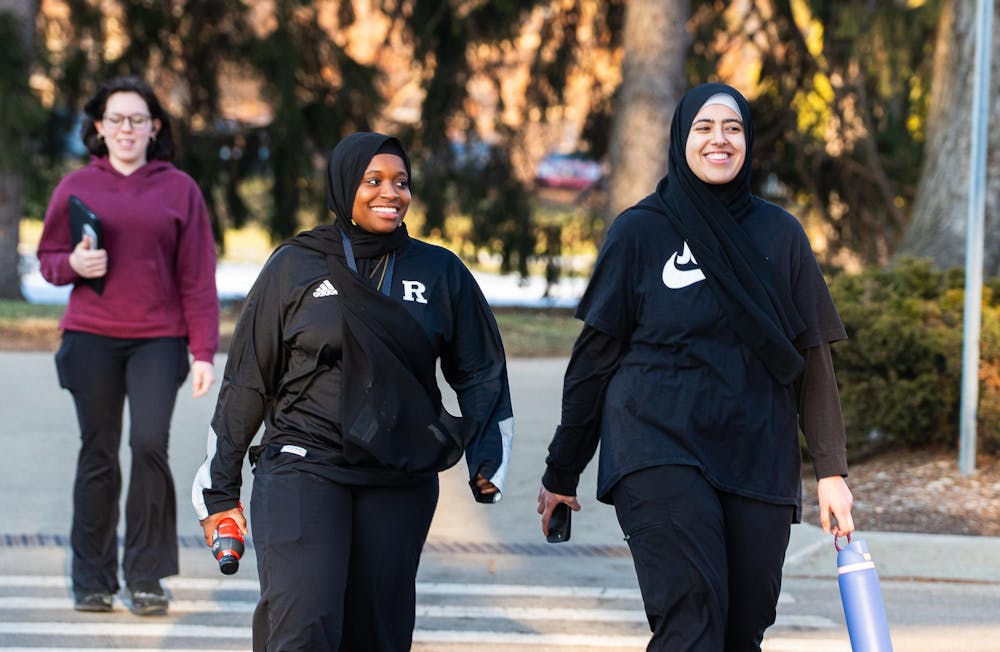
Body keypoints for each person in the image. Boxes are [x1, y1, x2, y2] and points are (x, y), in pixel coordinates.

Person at [537, 83, 856, 651]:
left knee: (743, 627)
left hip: (757, 449)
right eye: (703, 128)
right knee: (692, 617)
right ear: (681, 137)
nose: (719, 140)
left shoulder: (779, 235)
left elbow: (811, 357)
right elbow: (595, 359)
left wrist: (831, 471)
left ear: (748, 141)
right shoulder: (641, 231)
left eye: (732, 128)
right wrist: (562, 471)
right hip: (656, 443)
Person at [192, 131, 514, 651]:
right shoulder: (295, 266)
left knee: (377, 636)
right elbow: (248, 378)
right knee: (304, 626)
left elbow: (480, 370)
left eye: (402, 182)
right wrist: (220, 489)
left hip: (399, 475)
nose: (391, 192)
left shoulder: (439, 271)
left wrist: (487, 455)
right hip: (303, 462)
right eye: (374, 180)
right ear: (345, 185)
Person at [37, 75, 219, 616]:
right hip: (90, 337)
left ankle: (146, 576)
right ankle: (91, 578)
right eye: (115, 119)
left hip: (158, 341)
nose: (126, 129)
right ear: (98, 127)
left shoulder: (179, 188)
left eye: (137, 119)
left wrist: (203, 350)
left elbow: (197, 276)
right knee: (97, 453)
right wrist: (72, 264)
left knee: (147, 446)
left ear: (154, 128)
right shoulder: (75, 186)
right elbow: (48, 259)